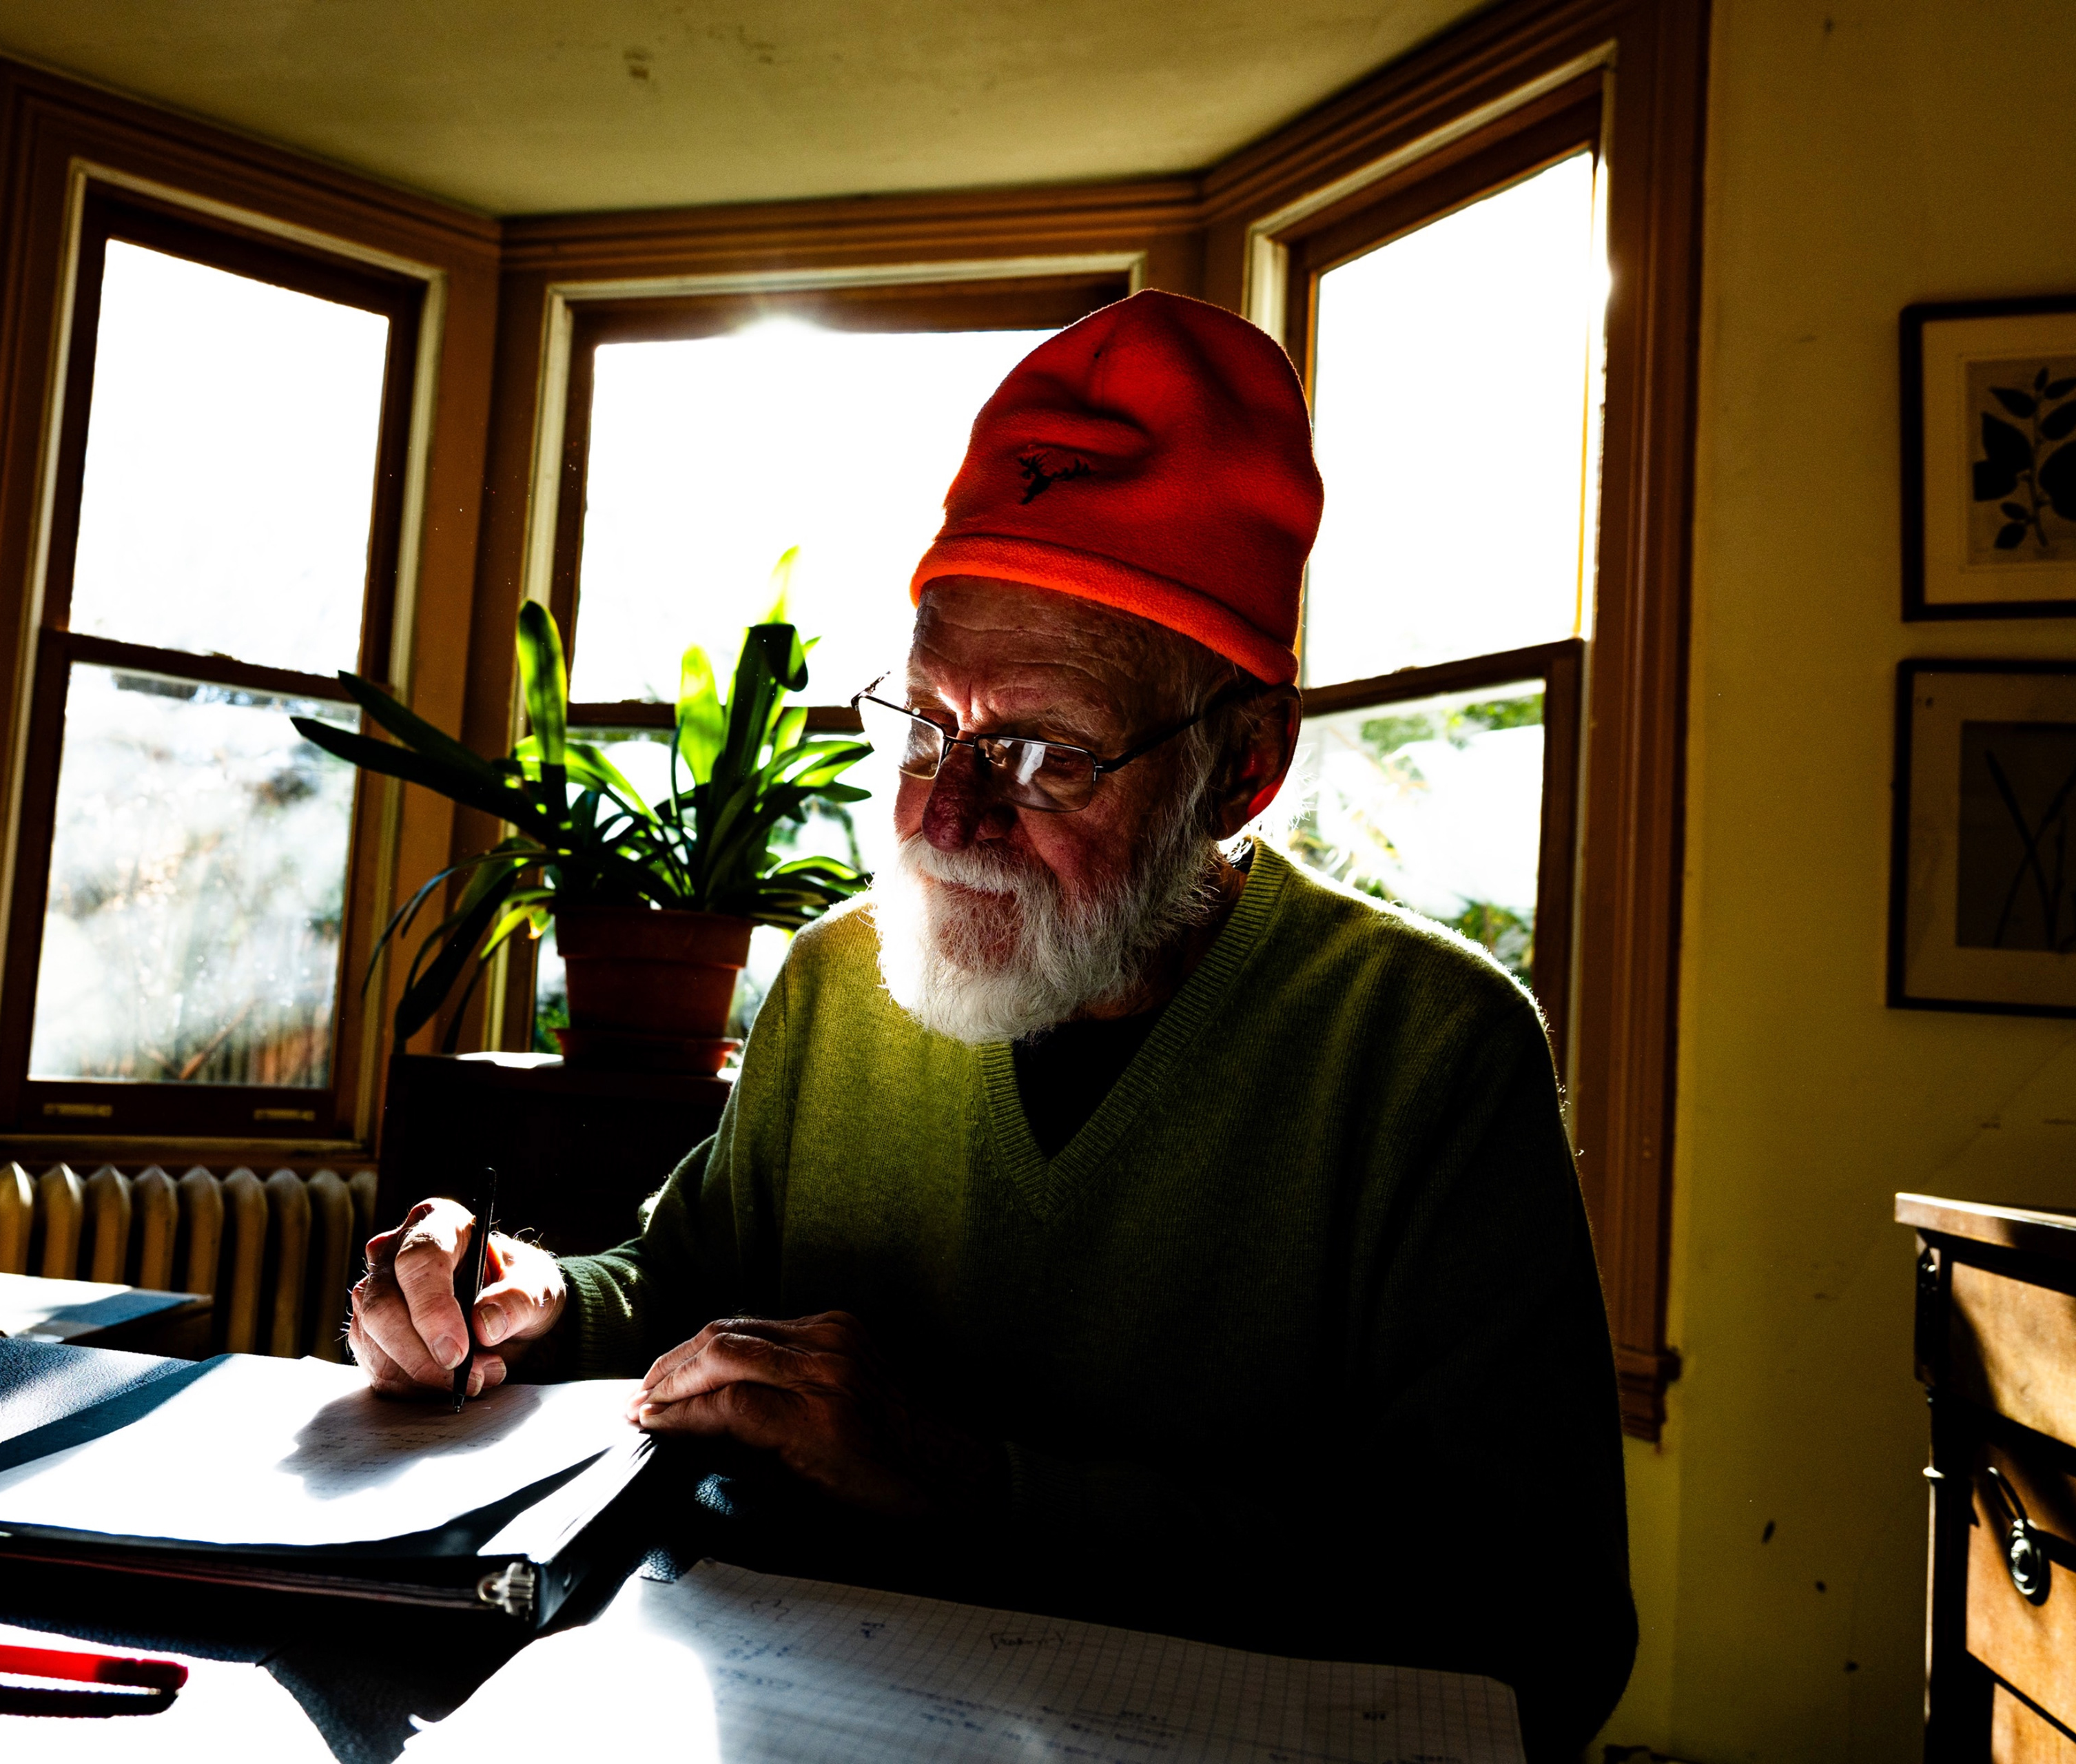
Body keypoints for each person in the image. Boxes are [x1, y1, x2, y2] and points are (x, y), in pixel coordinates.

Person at [351, 289, 1634, 1755]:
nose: (948, 816)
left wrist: (974, 1484)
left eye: (1043, 754)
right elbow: (686, 1289)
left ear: (1243, 767)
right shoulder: (836, 981)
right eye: (926, 728)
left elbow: (1540, 1623)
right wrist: (529, 1299)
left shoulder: (1429, 1050)